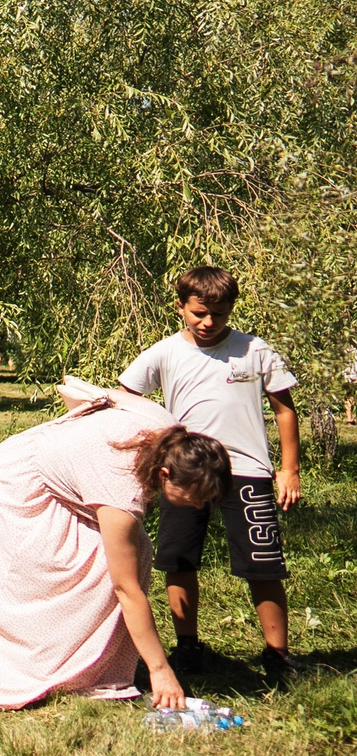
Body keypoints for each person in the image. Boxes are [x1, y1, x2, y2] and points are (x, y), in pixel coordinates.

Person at [0, 384, 230, 709]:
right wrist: (161, 671)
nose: (201, 508)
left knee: (136, 551)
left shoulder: (170, 431)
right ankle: (30, 667)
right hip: (17, 478)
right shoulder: (121, 486)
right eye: (197, 498)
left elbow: (99, 392)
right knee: (82, 567)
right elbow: (127, 590)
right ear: (165, 473)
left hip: (61, 472)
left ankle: (84, 667)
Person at [116, 267, 304, 682]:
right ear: (180, 306)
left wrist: (288, 469)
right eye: (199, 313)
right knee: (179, 559)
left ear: (230, 310)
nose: (208, 322)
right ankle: (187, 649)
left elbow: (285, 409)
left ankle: (278, 656)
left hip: (247, 471)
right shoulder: (163, 352)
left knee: (264, 565)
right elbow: (125, 400)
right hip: (183, 473)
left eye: (218, 314)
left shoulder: (254, 350)